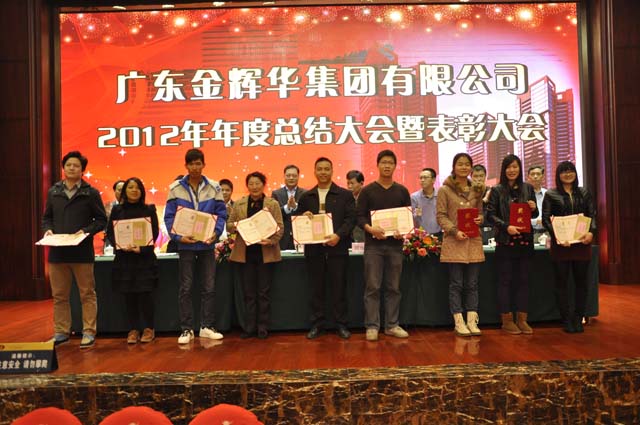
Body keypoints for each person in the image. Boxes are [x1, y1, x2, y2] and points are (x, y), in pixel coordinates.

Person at [42, 151, 107, 349]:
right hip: (57, 252)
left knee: (87, 294)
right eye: (68, 165)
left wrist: (85, 231)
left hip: (82, 252)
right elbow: (47, 218)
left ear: (82, 170)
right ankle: (61, 332)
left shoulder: (90, 193)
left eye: (76, 165)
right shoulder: (54, 192)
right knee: (59, 296)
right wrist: (48, 230)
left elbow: (101, 220)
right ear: (63, 167)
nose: (71, 168)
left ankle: (89, 331)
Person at [164, 149, 227, 344]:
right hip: (186, 246)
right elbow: (169, 217)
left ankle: (207, 326)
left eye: (198, 163)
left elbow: (221, 214)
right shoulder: (175, 188)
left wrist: (216, 233)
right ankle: (186, 329)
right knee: (186, 288)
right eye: (191, 164)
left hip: (207, 245)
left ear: (203, 165)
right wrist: (179, 237)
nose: (195, 167)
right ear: (186, 166)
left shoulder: (214, 187)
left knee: (209, 287)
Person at [297, 157, 356, 340]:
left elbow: (351, 219)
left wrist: (338, 235)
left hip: (338, 249)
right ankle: (317, 324)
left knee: (339, 288)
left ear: (332, 171)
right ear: (315, 171)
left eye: (326, 169)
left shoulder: (344, 195)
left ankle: (341, 324)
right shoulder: (306, 196)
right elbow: (298, 220)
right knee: (316, 289)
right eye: (320, 169)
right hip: (314, 251)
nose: (323, 172)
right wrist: (303, 216)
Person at [357, 150, 411, 341]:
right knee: (372, 287)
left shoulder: (402, 191)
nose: (387, 166)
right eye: (384, 162)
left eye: (390, 163)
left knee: (393, 287)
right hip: (373, 246)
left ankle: (392, 325)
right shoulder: (367, 191)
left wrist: (402, 231)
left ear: (395, 166)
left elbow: (407, 217)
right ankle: (372, 326)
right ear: (377, 165)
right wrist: (370, 229)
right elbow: (359, 217)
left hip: (395, 246)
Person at [228, 172, 284, 339]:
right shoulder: (239, 204)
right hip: (246, 255)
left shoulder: (272, 204)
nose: (254, 187)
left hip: (265, 254)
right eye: (251, 184)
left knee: (263, 293)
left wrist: (271, 241)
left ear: (263, 185)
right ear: (247, 186)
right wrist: (236, 226)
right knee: (249, 294)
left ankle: (262, 327)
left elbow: (280, 227)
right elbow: (229, 225)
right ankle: (249, 328)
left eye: (257, 183)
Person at [542, 161, 596, 333]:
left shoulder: (584, 192)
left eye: (570, 170)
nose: (567, 174)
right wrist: (558, 237)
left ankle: (579, 317)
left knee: (581, 283)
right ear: (558, 175)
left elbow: (591, 215)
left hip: (581, 243)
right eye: (564, 171)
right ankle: (566, 319)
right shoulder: (551, 194)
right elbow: (546, 219)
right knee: (561, 284)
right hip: (561, 245)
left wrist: (591, 233)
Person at [486, 155, 538, 335]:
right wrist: (506, 226)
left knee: (524, 280)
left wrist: (533, 208)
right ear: (504, 169)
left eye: (515, 167)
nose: (512, 170)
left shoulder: (528, 188)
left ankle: (522, 320)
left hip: (525, 241)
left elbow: (533, 215)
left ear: (520, 168)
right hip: (505, 241)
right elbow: (490, 215)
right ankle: (507, 321)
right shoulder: (497, 190)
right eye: (508, 167)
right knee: (505, 281)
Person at [106, 177, 160, 344]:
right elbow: (110, 233)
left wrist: (141, 249)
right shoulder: (117, 210)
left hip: (144, 259)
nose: (134, 190)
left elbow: (154, 233)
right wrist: (120, 245)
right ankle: (133, 329)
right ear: (125, 191)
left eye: (137, 187)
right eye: (130, 187)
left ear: (142, 191)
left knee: (145, 295)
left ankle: (149, 328)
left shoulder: (149, 209)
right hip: (124, 259)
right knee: (129, 295)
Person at [436, 153, 485, 337]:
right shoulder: (444, 190)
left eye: (467, 164)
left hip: (473, 242)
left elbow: (480, 213)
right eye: (460, 164)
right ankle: (459, 322)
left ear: (471, 168)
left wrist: (481, 219)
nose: (464, 167)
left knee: (472, 284)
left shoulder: (477, 189)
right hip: (454, 241)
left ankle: (472, 321)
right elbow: (441, 216)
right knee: (456, 284)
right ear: (454, 167)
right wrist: (454, 231)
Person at [271, 165, 306, 250]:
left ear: (298, 177)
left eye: (294, 176)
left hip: (301, 235)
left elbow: (308, 213)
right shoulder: (276, 193)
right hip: (282, 237)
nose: (291, 178)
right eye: (288, 175)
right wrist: (287, 207)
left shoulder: (306, 193)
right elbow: (273, 214)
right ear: (284, 176)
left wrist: (296, 207)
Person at [411, 167, 441, 237]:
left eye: (425, 177)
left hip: (439, 233)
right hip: (421, 235)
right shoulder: (414, 197)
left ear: (433, 180)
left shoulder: (440, 195)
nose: (422, 180)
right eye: (421, 178)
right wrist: (417, 211)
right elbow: (413, 217)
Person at [472, 164, 494, 244]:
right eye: (476, 176)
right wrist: (483, 201)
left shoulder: (492, 192)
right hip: (472, 232)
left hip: (490, 231)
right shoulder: (467, 194)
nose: (479, 179)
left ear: (485, 176)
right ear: (471, 177)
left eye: (481, 176)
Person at [104, 179, 126, 250]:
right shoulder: (108, 207)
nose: (122, 193)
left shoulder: (134, 207)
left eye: (124, 190)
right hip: (111, 242)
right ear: (114, 191)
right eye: (120, 190)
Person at [527, 165, 547, 240]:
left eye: (538, 174)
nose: (535, 176)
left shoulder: (548, 194)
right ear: (528, 177)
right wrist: (536, 221)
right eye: (532, 174)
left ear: (542, 177)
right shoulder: (523, 195)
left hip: (547, 232)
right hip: (530, 232)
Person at [346, 170, 365, 243]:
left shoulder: (367, 197)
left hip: (364, 237)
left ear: (361, 183)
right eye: (348, 183)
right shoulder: (346, 198)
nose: (349, 186)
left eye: (352, 183)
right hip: (349, 238)